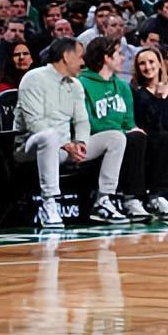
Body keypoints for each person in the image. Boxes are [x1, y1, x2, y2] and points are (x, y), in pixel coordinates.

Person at [12, 37, 128, 228]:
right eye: (80, 56)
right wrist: (66, 145)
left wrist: (81, 143)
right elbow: (34, 123)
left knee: (116, 137)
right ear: (66, 56)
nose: (83, 62)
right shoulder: (34, 78)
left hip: (66, 149)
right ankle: (49, 202)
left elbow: (82, 121)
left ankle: (103, 200)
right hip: (30, 147)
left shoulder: (75, 84)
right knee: (49, 136)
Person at [78, 36, 168, 222]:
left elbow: (129, 121)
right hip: (93, 139)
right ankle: (126, 199)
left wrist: (131, 129)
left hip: (119, 137)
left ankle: (149, 197)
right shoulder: (82, 84)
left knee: (158, 137)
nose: (123, 58)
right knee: (127, 137)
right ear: (106, 58)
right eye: (118, 54)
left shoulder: (122, 86)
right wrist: (123, 131)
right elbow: (87, 122)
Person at [130, 48, 168, 218]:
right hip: (147, 138)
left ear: (159, 64)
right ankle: (157, 195)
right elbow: (143, 122)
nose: (147, 67)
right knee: (164, 137)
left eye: (151, 62)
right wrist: (158, 100)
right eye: (142, 63)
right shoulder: (135, 91)